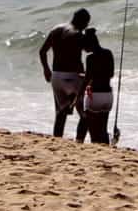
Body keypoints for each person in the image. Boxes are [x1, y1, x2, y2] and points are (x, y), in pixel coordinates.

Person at [38, 8, 91, 137]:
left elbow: (42, 51)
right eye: (86, 23)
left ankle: (57, 140)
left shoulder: (56, 29)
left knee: (61, 113)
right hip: (74, 77)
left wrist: (46, 69)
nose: (86, 26)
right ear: (83, 22)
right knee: (85, 114)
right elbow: (89, 49)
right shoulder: (79, 34)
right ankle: (79, 142)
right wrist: (89, 35)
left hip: (56, 76)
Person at [76, 27, 116, 145]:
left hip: (95, 96)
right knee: (102, 128)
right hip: (107, 96)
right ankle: (105, 148)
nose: (83, 49)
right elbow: (111, 74)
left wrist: (78, 96)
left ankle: (79, 144)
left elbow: (88, 79)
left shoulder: (90, 58)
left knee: (87, 123)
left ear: (89, 44)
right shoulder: (108, 53)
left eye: (84, 46)